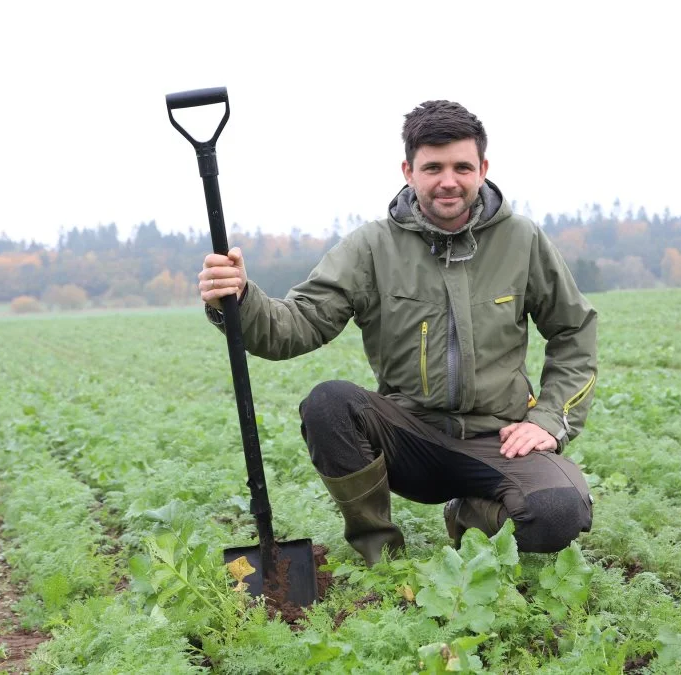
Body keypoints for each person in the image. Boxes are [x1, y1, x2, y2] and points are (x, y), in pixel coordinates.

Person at [198, 100, 597, 565]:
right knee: (330, 403)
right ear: (408, 171)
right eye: (433, 167)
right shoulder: (371, 247)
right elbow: (296, 326)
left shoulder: (522, 240)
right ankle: (382, 557)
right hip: (410, 439)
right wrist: (239, 299)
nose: (449, 180)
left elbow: (574, 331)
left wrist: (547, 419)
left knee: (558, 513)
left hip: (499, 438)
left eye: (462, 167)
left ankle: (471, 515)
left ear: (483, 168)